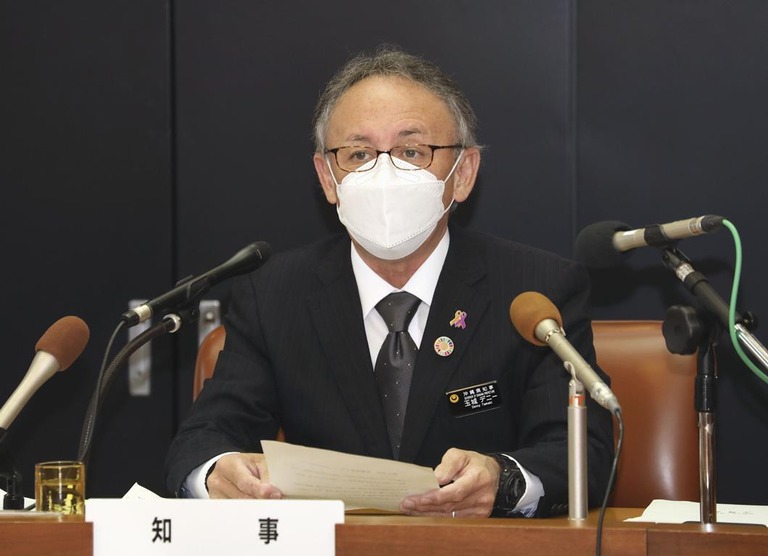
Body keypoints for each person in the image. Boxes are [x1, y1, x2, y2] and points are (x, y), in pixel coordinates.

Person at [164, 44, 614, 518]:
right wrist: (216, 473)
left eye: (411, 151)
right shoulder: (274, 294)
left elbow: (584, 452)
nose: (383, 172)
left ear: (463, 174)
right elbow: (202, 440)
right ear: (327, 178)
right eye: (358, 153)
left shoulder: (534, 291)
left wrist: (502, 480)